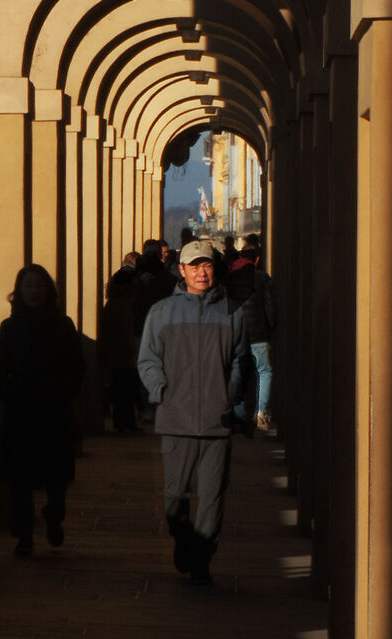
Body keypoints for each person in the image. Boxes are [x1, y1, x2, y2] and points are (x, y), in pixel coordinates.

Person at [136, 236, 249, 588]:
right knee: (175, 499)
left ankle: (202, 561)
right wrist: (162, 390)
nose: (202, 272)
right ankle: (184, 540)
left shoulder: (233, 312)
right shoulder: (162, 313)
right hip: (176, 420)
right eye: (195, 266)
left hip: (217, 422)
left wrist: (229, 396)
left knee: (212, 499)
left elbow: (240, 362)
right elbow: (148, 360)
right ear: (181, 270)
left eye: (208, 265)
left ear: (216, 269)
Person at [0, 264, 85, 554]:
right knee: (19, 479)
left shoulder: (63, 325)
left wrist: (67, 394)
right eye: (28, 285)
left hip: (55, 412)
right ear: (18, 291)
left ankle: (54, 516)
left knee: (57, 476)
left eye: (39, 285)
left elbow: (77, 366)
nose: (34, 291)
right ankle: (24, 536)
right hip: (21, 413)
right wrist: (9, 396)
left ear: (49, 290)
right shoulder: (9, 327)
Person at [229, 236, 278, 436]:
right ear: (256, 260)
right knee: (264, 372)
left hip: (236, 335)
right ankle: (261, 412)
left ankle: (239, 415)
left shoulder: (229, 280)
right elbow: (271, 308)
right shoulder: (263, 279)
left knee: (238, 375)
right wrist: (270, 328)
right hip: (259, 335)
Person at [98, 266, 143, 434]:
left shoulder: (112, 305)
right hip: (122, 356)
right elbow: (125, 333)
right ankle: (126, 422)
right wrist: (131, 351)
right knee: (125, 390)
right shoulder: (122, 307)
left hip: (115, 355)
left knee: (120, 390)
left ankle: (122, 422)